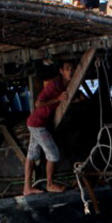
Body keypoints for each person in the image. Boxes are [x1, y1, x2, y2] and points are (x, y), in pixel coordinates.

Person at [24, 62, 72, 195]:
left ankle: (27, 187)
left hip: (37, 123)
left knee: (32, 154)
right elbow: (38, 103)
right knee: (53, 154)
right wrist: (57, 99)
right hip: (37, 123)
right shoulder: (54, 85)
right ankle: (50, 184)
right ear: (61, 71)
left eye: (72, 69)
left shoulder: (64, 85)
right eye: (68, 69)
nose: (70, 72)